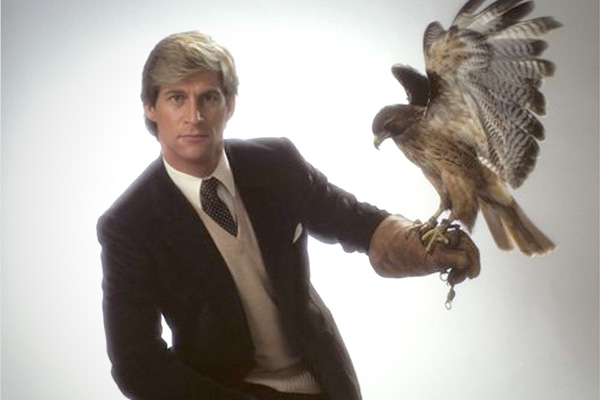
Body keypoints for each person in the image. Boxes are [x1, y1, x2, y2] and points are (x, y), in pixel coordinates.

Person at [97, 31, 480, 400]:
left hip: (325, 383)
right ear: (150, 107)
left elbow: (357, 223)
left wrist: (419, 245)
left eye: (208, 97)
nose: (194, 116)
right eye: (177, 98)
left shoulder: (276, 163)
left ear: (230, 104)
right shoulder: (128, 226)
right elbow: (137, 365)